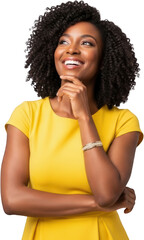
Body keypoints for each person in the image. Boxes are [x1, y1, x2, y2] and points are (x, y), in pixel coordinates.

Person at [1, 1, 143, 239]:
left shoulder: (123, 122)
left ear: (104, 59)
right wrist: (96, 205)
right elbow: (12, 200)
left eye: (86, 43)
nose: (72, 50)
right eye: (63, 42)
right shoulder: (27, 115)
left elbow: (107, 193)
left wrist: (84, 116)